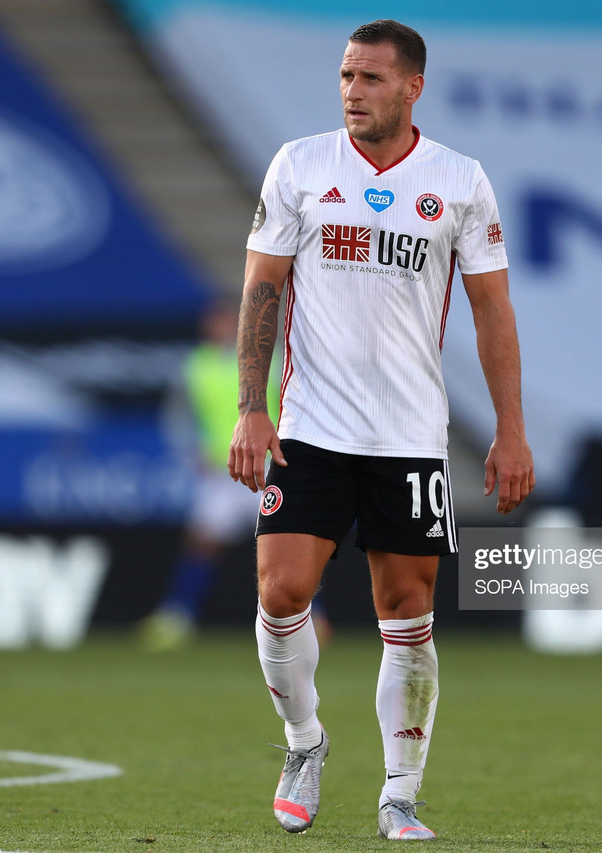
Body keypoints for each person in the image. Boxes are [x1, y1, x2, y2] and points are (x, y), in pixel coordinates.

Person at [228, 19, 534, 841]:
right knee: (280, 591)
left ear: (411, 87)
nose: (352, 92)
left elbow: (491, 308)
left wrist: (510, 430)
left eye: (369, 78)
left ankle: (399, 794)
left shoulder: (459, 180)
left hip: (408, 437)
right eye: (344, 76)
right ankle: (304, 743)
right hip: (312, 428)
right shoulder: (300, 165)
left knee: (407, 610)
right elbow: (262, 291)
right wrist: (250, 406)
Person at [138, 303, 330, 650]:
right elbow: (178, 416)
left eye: (229, 320)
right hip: (222, 475)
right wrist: (189, 453)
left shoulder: (270, 364)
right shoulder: (196, 366)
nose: (223, 327)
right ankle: (177, 616)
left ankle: (313, 618)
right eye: (217, 320)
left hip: (268, 472)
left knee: (288, 547)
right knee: (202, 544)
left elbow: (297, 408)